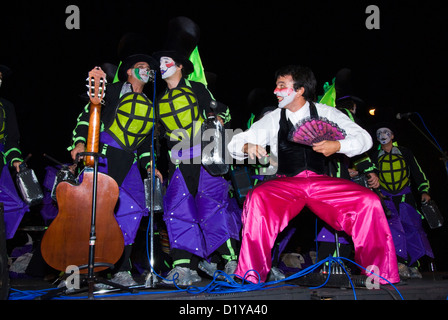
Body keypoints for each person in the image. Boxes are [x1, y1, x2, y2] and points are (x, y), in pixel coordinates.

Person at [227, 65, 400, 285]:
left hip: (321, 182)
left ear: (299, 90)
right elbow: (235, 142)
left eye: (282, 85)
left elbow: (364, 139)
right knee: (256, 198)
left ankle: (379, 275)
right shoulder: (273, 119)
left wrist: (338, 144)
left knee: (369, 201)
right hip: (286, 183)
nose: (275, 91)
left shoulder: (327, 113)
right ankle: (251, 276)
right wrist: (246, 147)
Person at [69, 54, 163, 287]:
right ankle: (89, 271)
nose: (147, 70)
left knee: (132, 210)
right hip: (105, 155)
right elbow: (87, 116)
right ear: (129, 72)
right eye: (141, 67)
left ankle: (121, 270)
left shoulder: (150, 104)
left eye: (149, 68)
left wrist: (150, 164)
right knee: (96, 211)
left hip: (129, 161)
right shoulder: (110, 91)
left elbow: (144, 142)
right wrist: (79, 142)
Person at [152, 49, 240, 285]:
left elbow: (222, 111)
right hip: (178, 163)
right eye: (159, 62)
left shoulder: (197, 88)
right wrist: (150, 161)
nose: (161, 65)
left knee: (212, 207)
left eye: (166, 61)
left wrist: (220, 119)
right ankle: (183, 267)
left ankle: (231, 261)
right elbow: (154, 137)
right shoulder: (158, 100)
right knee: (179, 210)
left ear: (180, 66)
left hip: (204, 157)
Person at [370, 124, 434, 279]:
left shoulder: (405, 152)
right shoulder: (373, 156)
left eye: (386, 132)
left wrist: (424, 190)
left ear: (392, 136)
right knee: (392, 231)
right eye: (379, 133)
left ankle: (414, 265)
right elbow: (369, 176)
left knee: (412, 228)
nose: (383, 135)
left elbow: (417, 171)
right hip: (386, 198)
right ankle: (400, 263)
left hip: (406, 196)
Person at [0, 64, 29, 240]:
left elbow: (11, 140)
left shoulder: (6, 106)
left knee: (10, 207)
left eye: (1, 78)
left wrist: (16, 159)